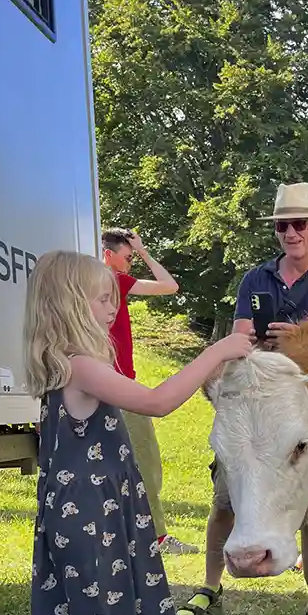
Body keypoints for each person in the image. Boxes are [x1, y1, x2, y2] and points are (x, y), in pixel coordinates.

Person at [24, 250, 251, 615]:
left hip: (98, 512)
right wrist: (218, 350)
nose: (113, 306)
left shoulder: (76, 364)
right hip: (86, 517)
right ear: (71, 304)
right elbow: (157, 402)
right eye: (102, 298)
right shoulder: (79, 365)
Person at [178, 182, 308, 615]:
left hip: (305, 416)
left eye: (299, 224)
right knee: (226, 499)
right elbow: (239, 336)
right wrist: (251, 338)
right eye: (282, 226)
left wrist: (302, 340)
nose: (291, 233)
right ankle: (209, 585)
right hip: (255, 411)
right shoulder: (256, 279)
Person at [102, 228, 198, 555]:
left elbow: (170, 287)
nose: (130, 263)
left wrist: (138, 252)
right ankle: (155, 538)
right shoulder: (113, 280)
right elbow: (170, 286)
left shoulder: (95, 283)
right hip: (121, 387)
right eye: (128, 257)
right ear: (108, 255)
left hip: (104, 385)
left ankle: (125, 535)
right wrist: (144, 252)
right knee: (145, 459)